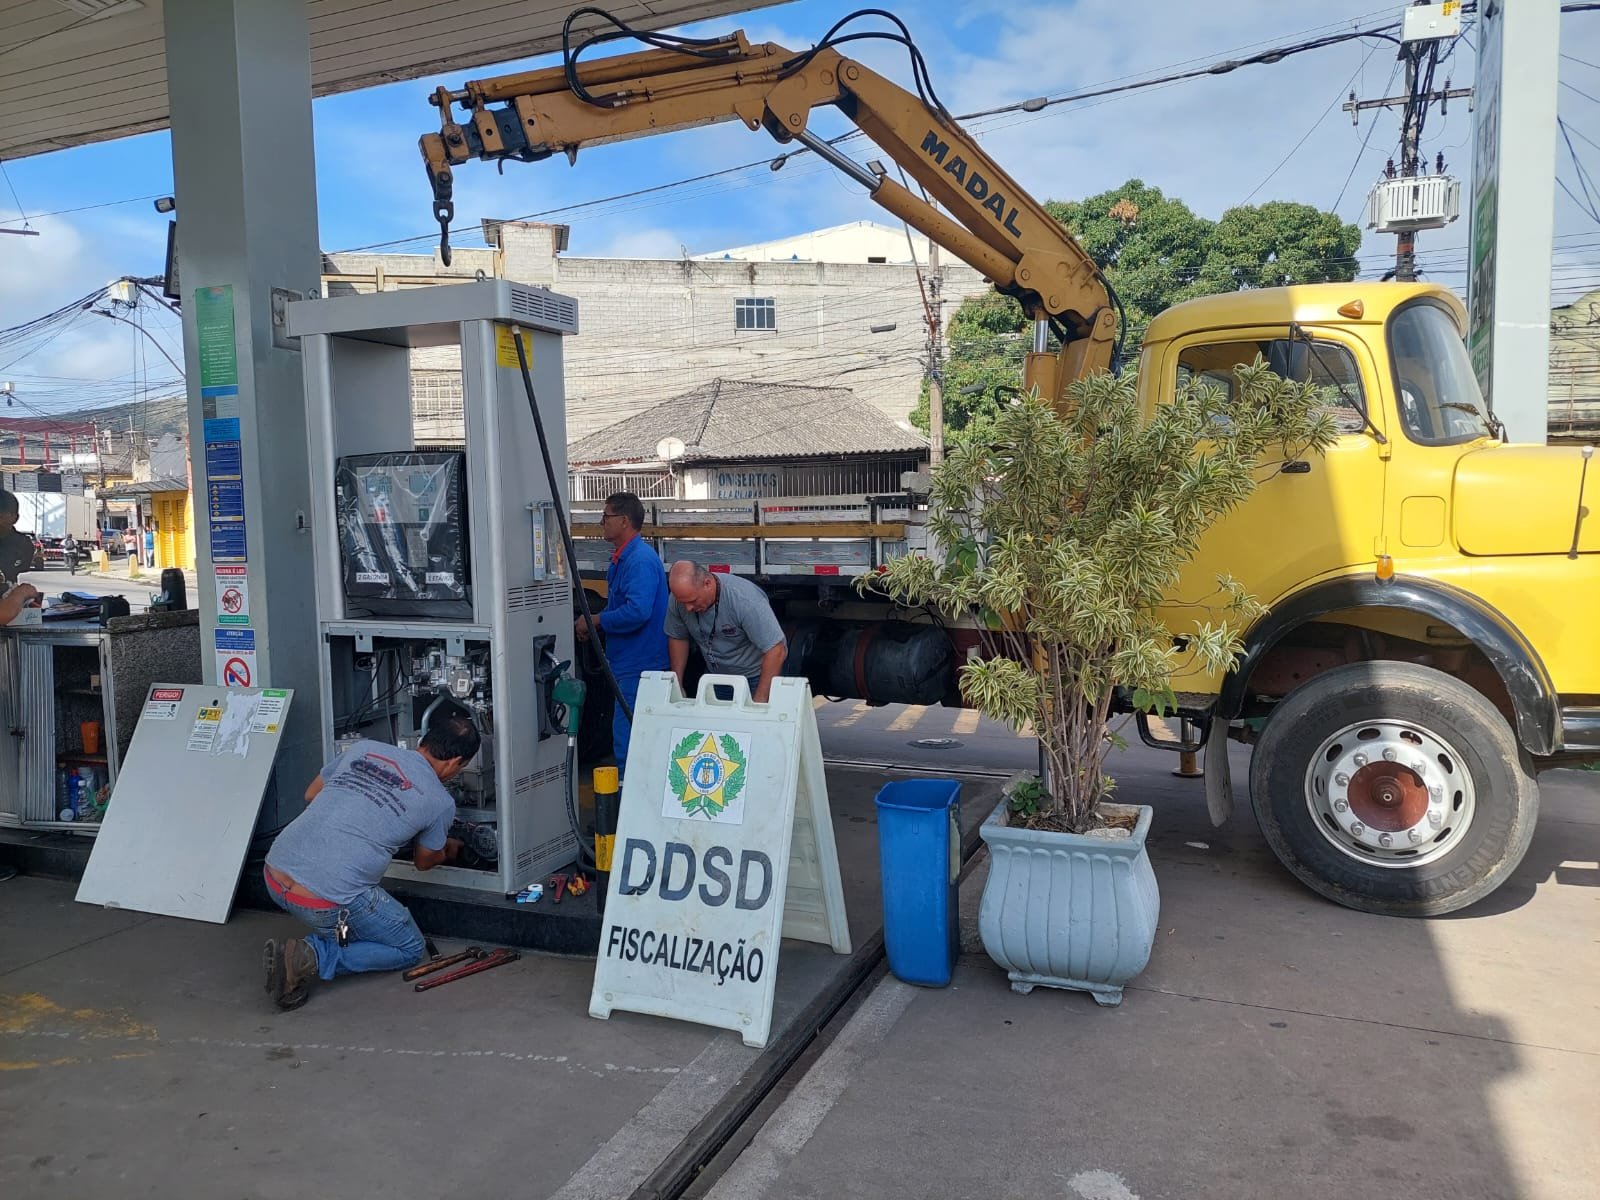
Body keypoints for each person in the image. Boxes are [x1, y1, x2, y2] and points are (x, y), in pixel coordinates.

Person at [261, 702, 479, 1010]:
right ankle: (307, 956)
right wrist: (448, 848)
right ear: (456, 762)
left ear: (423, 741)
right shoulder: (439, 801)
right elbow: (423, 862)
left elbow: (312, 794)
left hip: (273, 874)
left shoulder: (365, 750)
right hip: (321, 900)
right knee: (408, 947)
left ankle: (309, 948)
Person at [574, 492, 667, 772]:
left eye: (606, 516)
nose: (602, 522)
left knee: (629, 744)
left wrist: (597, 621)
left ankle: (627, 810)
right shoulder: (626, 558)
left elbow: (638, 612)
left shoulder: (638, 561)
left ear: (624, 520)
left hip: (639, 665)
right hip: (629, 662)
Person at [665, 560, 787, 703]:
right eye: (683, 602)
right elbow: (678, 637)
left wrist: (759, 701)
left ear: (707, 583)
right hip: (715, 677)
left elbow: (776, 650)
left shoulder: (745, 600)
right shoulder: (679, 598)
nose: (688, 608)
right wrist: (677, 683)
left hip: (755, 678)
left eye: (693, 601)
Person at [0, 489, 36, 587]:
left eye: (1, 516)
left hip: (9, 597)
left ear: (15, 518)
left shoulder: (24, 544)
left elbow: (20, 568)